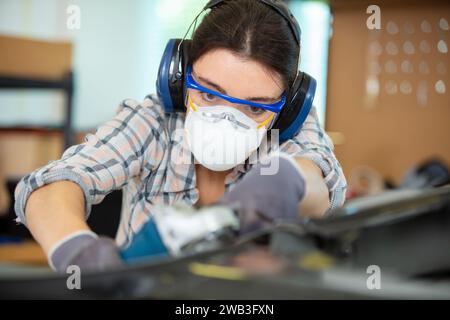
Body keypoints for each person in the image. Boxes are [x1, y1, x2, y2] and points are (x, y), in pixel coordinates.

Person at [14, 0, 347, 273]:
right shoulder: (153, 120)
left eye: (255, 109)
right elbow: (50, 187)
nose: (227, 120)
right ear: (179, 78)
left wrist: (287, 180)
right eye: (210, 95)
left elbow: (320, 183)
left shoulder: (290, 129)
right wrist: (77, 251)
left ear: (286, 109)